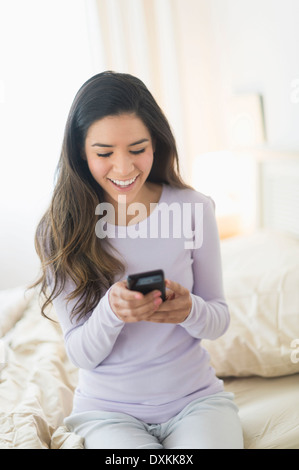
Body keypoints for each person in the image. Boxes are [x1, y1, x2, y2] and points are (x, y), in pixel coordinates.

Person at [32, 71, 244, 449]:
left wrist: (188, 309)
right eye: (104, 153)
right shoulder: (60, 230)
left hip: (196, 402)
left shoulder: (195, 209)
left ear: (156, 144)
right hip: (107, 413)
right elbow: (81, 353)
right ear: (81, 151)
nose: (124, 168)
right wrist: (112, 311)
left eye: (137, 149)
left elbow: (218, 319)